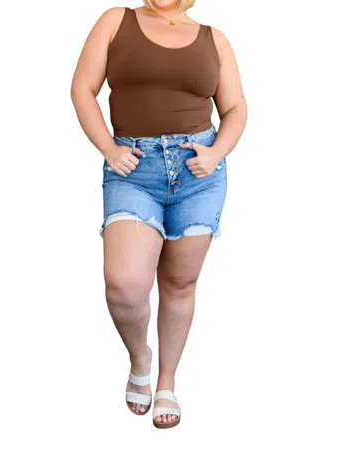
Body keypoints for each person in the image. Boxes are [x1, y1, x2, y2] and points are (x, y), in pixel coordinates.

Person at [70, 0, 247, 429]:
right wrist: (108, 148)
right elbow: (82, 89)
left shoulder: (214, 38)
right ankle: (140, 358)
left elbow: (236, 108)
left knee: (180, 283)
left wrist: (216, 154)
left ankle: (167, 380)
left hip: (199, 172)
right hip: (133, 169)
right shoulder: (116, 21)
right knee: (124, 284)